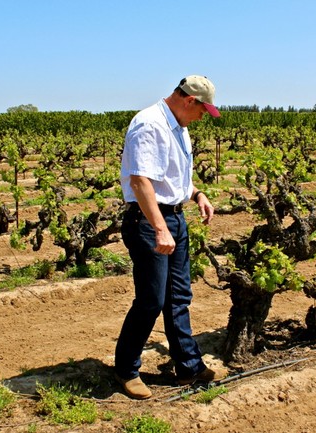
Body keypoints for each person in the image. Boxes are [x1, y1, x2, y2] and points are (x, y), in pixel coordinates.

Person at [114, 75, 227, 399]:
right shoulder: (149, 124)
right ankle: (125, 370)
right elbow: (140, 182)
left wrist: (197, 194)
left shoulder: (181, 129)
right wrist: (160, 227)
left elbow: (173, 180)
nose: (203, 117)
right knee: (151, 301)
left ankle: (188, 367)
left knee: (178, 297)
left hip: (174, 218)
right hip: (150, 223)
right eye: (203, 110)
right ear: (189, 100)